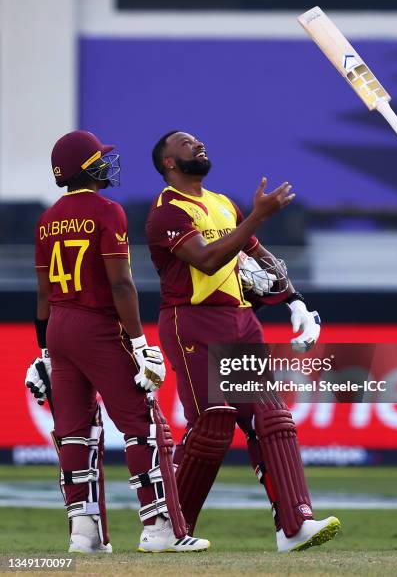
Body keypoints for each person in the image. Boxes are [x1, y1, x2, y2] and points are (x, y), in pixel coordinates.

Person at [145, 130, 341, 552]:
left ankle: (294, 526)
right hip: (192, 321)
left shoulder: (222, 204)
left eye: (198, 141)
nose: (197, 145)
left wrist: (296, 302)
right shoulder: (167, 213)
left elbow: (256, 253)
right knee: (212, 423)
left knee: (271, 419)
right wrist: (257, 215)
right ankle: (164, 529)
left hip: (240, 320)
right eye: (185, 144)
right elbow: (208, 258)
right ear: (169, 164)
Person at [25, 130, 209, 554]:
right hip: (97, 325)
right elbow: (121, 283)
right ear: (84, 167)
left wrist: (44, 353)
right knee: (144, 426)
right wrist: (141, 342)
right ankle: (161, 529)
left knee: (74, 432)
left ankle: (83, 534)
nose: (107, 163)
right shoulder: (107, 211)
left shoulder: (47, 219)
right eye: (99, 159)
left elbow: (42, 294)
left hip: (58, 327)